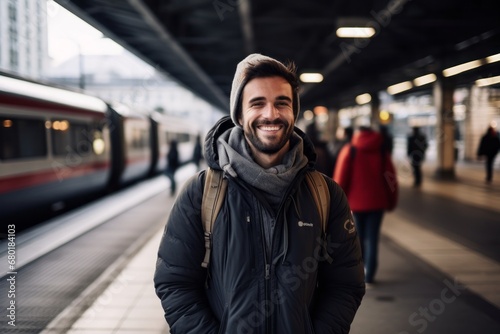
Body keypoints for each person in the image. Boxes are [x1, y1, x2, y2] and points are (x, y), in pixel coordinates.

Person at [154, 53, 365, 333]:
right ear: (239, 115)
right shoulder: (201, 193)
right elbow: (175, 282)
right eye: (257, 103)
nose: (271, 114)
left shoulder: (325, 194)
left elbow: (345, 284)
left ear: (293, 112)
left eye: (282, 103)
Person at [333, 126, 398, 284]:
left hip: (355, 205)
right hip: (377, 204)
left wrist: (336, 204)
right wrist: (391, 201)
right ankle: (370, 275)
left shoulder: (350, 150)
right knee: (373, 238)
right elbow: (391, 181)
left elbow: (340, 180)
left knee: (357, 238)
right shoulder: (382, 152)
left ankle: (358, 272)